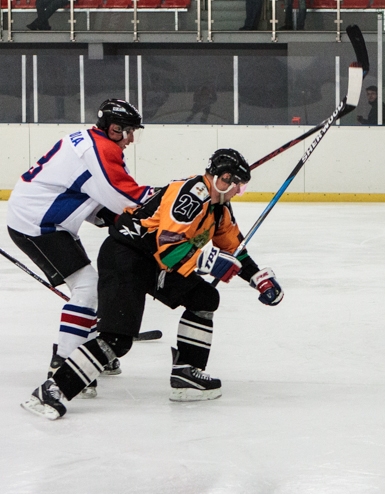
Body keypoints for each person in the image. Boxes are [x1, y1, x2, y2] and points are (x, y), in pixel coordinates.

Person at [21, 149, 285, 420]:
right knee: (117, 339)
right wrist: (207, 261)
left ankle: (186, 374)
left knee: (204, 298)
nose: (238, 192)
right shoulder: (191, 195)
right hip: (126, 256)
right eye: (238, 186)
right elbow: (170, 249)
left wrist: (257, 278)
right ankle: (52, 390)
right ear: (224, 178)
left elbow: (233, 246)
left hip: (154, 262)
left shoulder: (219, 206)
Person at [7, 99, 151, 397]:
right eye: (129, 132)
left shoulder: (88, 139)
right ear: (114, 129)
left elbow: (83, 189)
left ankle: (89, 346)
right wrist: (173, 197)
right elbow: (124, 195)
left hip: (43, 216)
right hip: (38, 223)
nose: (132, 139)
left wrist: (109, 217)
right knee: (86, 287)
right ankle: (63, 363)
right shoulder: (102, 149)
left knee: (91, 287)